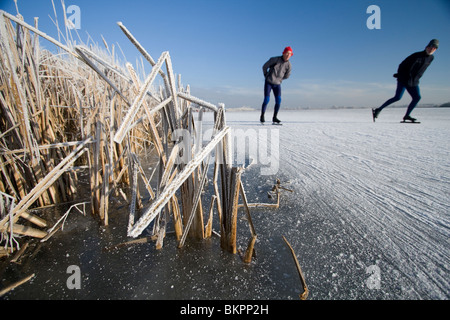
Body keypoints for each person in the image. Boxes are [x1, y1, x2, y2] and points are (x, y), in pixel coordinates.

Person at [372, 39, 439, 123]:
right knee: (397, 97)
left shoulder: (431, 58)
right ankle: (378, 110)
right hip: (403, 79)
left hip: (414, 81)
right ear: (426, 47)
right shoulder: (416, 55)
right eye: (430, 47)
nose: (431, 50)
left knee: (417, 97)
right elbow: (402, 64)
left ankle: (407, 115)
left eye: (433, 48)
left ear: (435, 50)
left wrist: (417, 77)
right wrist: (400, 74)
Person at [260, 46, 293, 124]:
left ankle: (274, 117)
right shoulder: (275, 59)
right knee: (266, 100)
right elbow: (264, 66)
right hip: (269, 82)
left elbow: (287, 75)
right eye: (287, 53)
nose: (288, 55)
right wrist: (266, 75)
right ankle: (262, 115)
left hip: (277, 84)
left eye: (290, 54)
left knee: (278, 100)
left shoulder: (289, 65)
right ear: (284, 53)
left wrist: (280, 79)